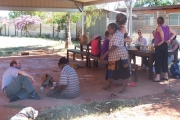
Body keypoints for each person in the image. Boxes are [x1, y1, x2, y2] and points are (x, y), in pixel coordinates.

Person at [100, 23, 130, 93]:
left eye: (109, 29)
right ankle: (109, 86)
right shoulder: (113, 34)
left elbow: (115, 46)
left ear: (113, 29)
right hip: (113, 57)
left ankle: (124, 89)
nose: (108, 30)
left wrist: (105, 54)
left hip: (120, 57)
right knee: (110, 71)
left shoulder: (118, 34)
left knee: (122, 72)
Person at [153, 16, 176, 81]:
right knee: (164, 60)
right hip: (165, 45)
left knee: (158, 60)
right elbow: (174, 33)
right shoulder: (167, 27)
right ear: (163, 21)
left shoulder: (159, 27)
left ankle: (157, 77)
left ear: (157, 21)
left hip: (159, 45)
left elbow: (161, 33)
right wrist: (169, 39)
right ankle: (166, 75)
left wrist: (162, 41)